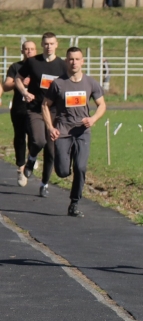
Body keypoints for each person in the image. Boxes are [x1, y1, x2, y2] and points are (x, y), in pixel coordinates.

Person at [41, 47, 105, 218]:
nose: (74, 62)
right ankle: (64, 167)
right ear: (66, 61)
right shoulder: (58, 83)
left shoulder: (90, 83)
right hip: (63, 131)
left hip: (82, 131)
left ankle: (74, 203)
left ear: (82, 61)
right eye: (71, 59)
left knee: (80, 167)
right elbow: (45, 105)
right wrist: (50, 127)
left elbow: (102, 105)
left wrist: (93, 119)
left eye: (77, 59)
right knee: (62, 171)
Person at [15, 32, 68, 198]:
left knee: (51, 151)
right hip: (35, 109)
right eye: (46, 44)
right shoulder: (33, 62)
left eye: (51, 43)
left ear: (56, 45)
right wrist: (24, 92)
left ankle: (44, 184)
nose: (49, 46)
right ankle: (31, 159)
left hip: (54, 112)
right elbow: (18, 78)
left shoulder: (62, 65)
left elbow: (69, 85)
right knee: (39, 140)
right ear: (42, 45)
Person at [2, 40, 37, 186]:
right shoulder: (16, 67)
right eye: (26, 49)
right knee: (20, 137)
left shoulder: (39, 66)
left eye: (32, 49)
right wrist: (20, 82)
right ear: (22, 51)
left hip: (35, 107)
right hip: (19, 107)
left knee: (36, 136)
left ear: (36, 51)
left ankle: (32, 157)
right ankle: (21, 168)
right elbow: (6, 85)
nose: (29, 51)